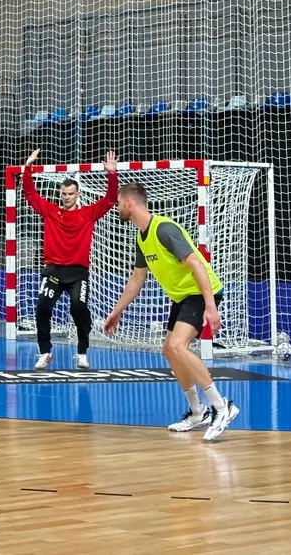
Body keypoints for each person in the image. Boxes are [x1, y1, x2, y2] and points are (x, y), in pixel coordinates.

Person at [103, 182, 239, 441]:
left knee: (178, 346)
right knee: (169, 350)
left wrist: (211, 307)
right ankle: (197, 412)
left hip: (200, 291)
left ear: (130, 203)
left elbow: (197, 264)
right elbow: (137, 279)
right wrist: (117, 311)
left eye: (119, 202)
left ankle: (222, 408)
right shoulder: (141, 237)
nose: (117, 207)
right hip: (182, 296)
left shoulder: (164, 229)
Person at [22, 149, 118, 370]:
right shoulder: (50, 211)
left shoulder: (88, 213)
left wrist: (112, 174)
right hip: (54, 271)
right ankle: (45, 352)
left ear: (77, 194)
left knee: (78, 307)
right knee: (42, 307)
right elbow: (30, 193)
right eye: (63, 193)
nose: (66, 197)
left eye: (70, 194)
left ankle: (82, 352)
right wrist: (28, 167)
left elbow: (110, 199)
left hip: (78, 273)